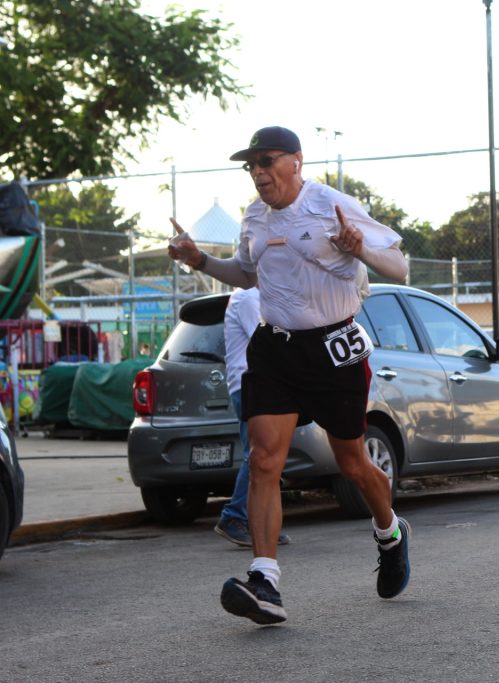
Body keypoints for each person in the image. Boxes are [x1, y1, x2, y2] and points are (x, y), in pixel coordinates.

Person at [167, 125, 411, 625]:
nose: (257, 172)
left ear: (296, 161)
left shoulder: (330, 204)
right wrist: (200, 260)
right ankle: (265, 581)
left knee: (352, 464)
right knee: (263, 460)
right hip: (275, 348)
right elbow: (246, 274)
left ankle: (390, 532)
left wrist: (361, 248)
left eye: (267, 161)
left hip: (333, 349)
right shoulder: (253, 217)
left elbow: (399, 267)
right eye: (251, 165)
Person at [213, 287, 291, 548]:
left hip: (259, 384)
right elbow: (267, 340)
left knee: (268, 455)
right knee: (258, 456)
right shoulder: (247, 297)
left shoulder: (258, 296)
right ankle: (234, 516)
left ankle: (265, 524)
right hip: (250, 384)